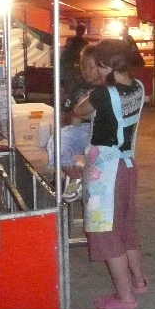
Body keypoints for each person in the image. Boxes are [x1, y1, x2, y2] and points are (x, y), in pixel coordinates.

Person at [73, 39, 148, 309]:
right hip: (128, 166)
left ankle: (125, 297)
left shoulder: (103, 94)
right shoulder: (138, 87)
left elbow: (79, 111)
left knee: (107, 233)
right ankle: (139, 281)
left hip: (106, 174)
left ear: (104, 65)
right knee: (126, 228)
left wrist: (95, 90)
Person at [52, 44, 103, 202]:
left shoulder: (105, 89)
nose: (85, 71)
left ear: (102, 67)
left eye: (90, 67)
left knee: (66, 142)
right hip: (81, 129)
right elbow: (72, 116)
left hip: (100, 131)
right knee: (57, 142)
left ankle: (78, 176)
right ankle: (76, 176)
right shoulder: (78, 87)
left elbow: (79, 113)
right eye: (83, 66)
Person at [61, 23, 89, 94]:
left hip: (72, 67)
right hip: (73, 66)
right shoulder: (83, 42)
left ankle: (69, 98)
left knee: (71, 85)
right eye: (80, 30)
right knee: (72, 85)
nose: (81, 32)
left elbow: (65, 52)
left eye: (82, 30)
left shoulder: (82, 42)